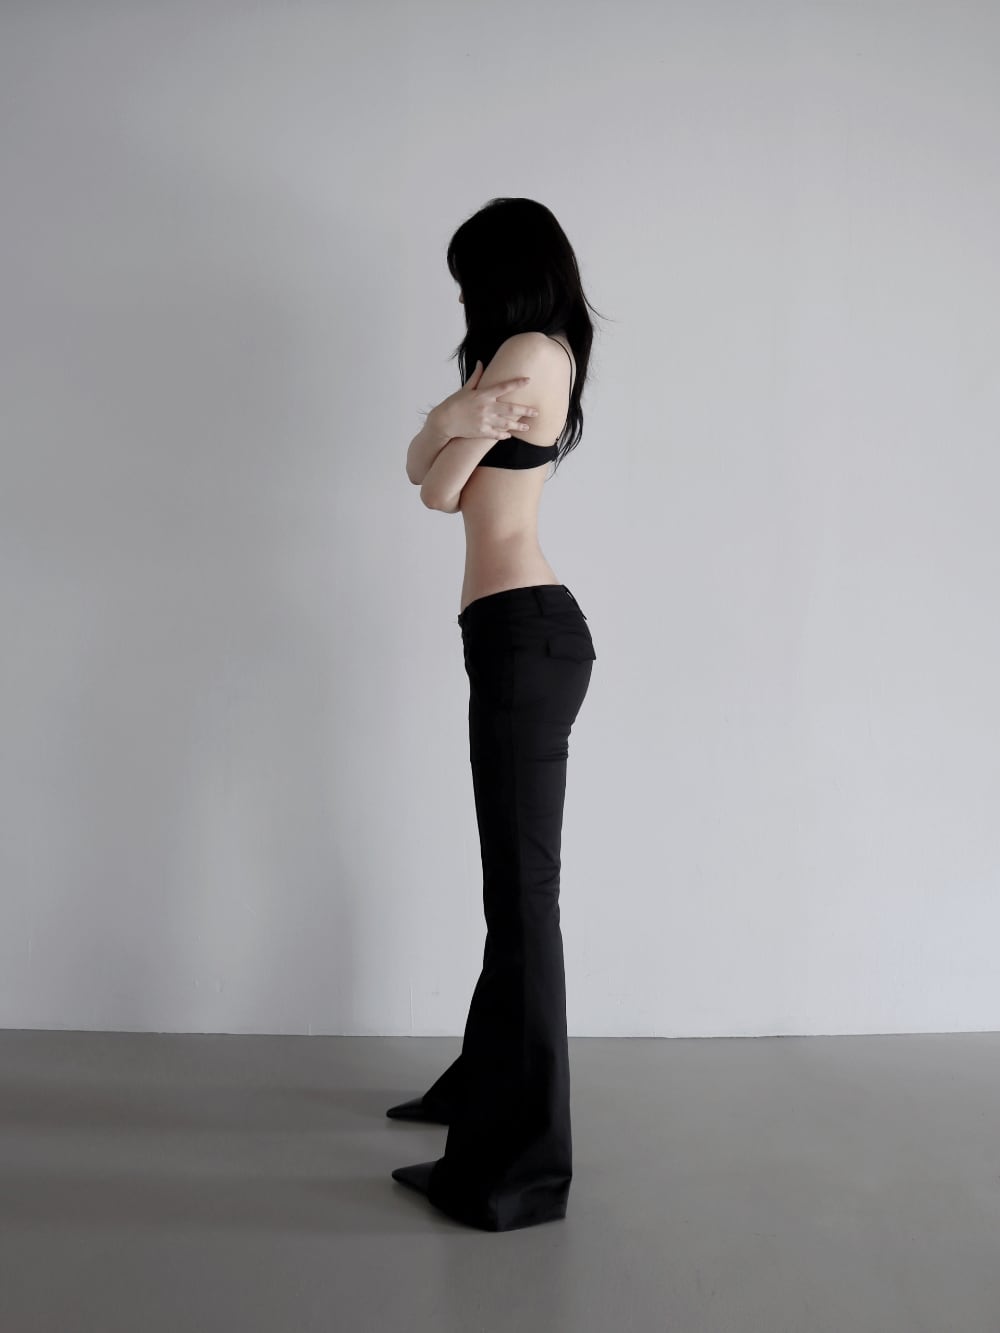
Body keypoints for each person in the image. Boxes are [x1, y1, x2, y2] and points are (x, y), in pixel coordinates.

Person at [390, 197, 604, 1231]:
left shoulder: (527, 352)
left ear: (507, 273)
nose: (464, 297)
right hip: (511, 635)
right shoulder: (507, 357)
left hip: (526, 634)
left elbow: (436, 491)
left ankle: (523, 1166)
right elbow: (419, 462)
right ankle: (484, 1089)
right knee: (512, 895)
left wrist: (448, 424)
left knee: (524, 900)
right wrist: (447, 424)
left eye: (469, 277)